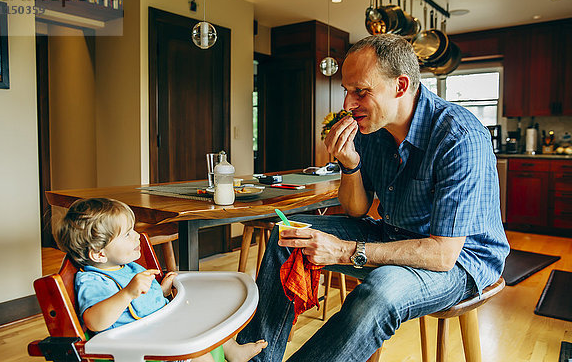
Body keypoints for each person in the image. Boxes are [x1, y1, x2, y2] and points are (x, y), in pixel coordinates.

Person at [237, 34, 510, 361]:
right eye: (346, 91)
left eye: (360, 91)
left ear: (400, 85)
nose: (347, 105)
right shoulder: (372, 129)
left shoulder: (459, 138)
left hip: (462, 260)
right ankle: (255, 359)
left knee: (380, 292)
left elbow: (442, 254)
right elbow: (358, 209)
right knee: (289, 236)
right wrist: (350, 164)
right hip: (394, 234)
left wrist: (343, 250)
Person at [54, 197, 267, 362]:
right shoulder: (92, 280)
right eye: (127, 234)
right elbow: (95, 321)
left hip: (158, 329)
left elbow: (142, 302)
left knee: (203, 318)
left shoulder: (126, 266)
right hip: (137, 346)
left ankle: (233, 351)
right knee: (194, 350)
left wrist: (161, 291)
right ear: (99, 254)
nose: (137, 236)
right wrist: (127, 292)